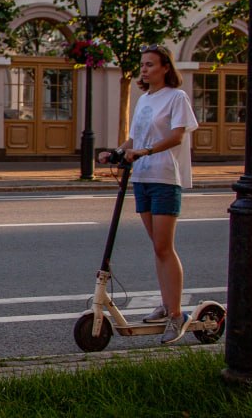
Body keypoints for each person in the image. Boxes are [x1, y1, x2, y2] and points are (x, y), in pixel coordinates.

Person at [99, 44, 198, 345]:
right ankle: (167, 305)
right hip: (141, 176)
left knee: (165, 247)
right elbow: (135, 137)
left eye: (151, 64)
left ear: (166, 67)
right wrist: (118, 151)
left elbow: (176, 136)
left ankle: (177, 314)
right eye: (142, 64)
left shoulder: (176, 98)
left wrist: (145, 151)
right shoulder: (144, 99)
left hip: (165, 177)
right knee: (158, 248)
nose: (144, 69)